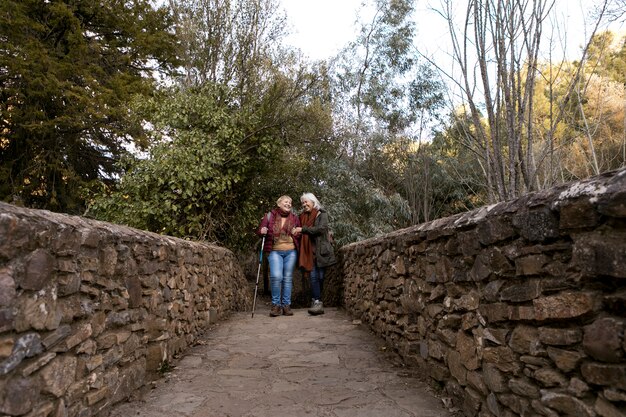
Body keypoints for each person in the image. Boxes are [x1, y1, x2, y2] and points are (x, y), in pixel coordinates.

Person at [257, 195, 301, 317]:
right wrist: (262, 231)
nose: (289, 204)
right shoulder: (269, 216)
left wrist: (296, 233)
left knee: (287, 279)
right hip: (274, 251)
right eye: (286, 202)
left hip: (291, 251)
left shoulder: (295, 218)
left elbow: (298, 235)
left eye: (290, 202)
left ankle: (286, 306)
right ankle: (276, 305)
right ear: (279, 204)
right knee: (276, 277)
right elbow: (261, 230)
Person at [293, 193, 336, 315]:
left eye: (306, 202)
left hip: (320, 251)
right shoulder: (301, 217)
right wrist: (297, 232)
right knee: (313, 277)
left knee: (321, 277)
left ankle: (316, 299)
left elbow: (321, 229)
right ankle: (317, 301)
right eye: (302, 203)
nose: (304, 204)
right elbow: (299, 229)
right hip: (308, 252)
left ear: (313, 202)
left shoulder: (321, 214)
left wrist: (303, 229)